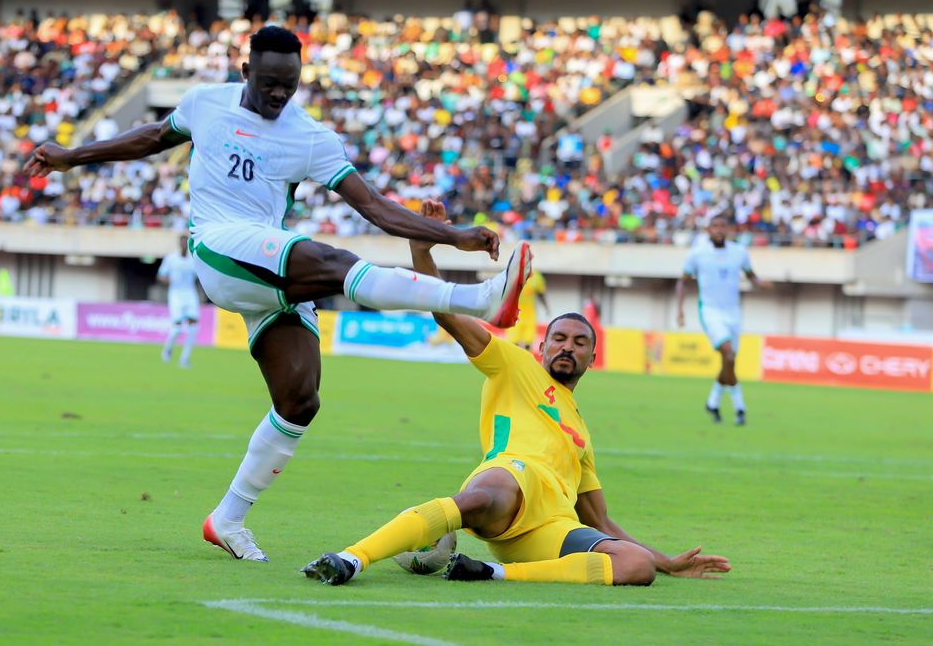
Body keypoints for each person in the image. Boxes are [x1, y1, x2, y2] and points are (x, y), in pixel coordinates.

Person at [24, 27, 532, 562]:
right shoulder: (205, 103)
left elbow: (376, 208)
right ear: (246, 72)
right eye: (268, 82)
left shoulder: (310, 138)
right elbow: (152, 137)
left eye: (288, 85)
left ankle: (227, 519)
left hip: (265, 268)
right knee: (334, 262)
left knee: (299, 400)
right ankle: (480, 301)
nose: (278, 94)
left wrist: (453, 235)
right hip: (219, 245)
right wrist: (71, 156)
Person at [302, 200, 730, 586]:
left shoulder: (581, 435)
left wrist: (665, 562)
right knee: (490, 492)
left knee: (635, 566)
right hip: (509, 479)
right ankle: (352, 558)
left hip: (547, 529)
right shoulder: (516, 366)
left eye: (579, 342)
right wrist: (422, 251)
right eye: (559, 338)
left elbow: (599, 520)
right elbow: (449, 317)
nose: (567, 347)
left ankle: (490, 572)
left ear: (592, 358)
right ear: (543, 348)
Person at [675, 215, 770, 425]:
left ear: (728, 229)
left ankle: (713, 402)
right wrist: (680, 311)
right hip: (711, 311)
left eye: (722, 226)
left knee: (729, 360)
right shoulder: (697, 253)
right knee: (728, 353)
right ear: (708, 229)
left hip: (733, 313)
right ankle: (740, 406)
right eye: (715, 226)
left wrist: (761, 284)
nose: (719, 230)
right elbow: (682, 282)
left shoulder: (739, 252)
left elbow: (751, 275)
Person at [157, 233, 201, 368]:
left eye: (185, 242)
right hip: (175, 294)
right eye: (181, 242)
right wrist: (167, 280)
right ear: (179, 243)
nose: (183, 245)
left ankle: (184, 358)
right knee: (177, 328)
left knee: (193, 328)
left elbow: (200, 276)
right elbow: (161, 275)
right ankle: (167, 349)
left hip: (190, 293)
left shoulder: (193, 259)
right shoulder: (171, 259)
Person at [504, 268, 549, 350]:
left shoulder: (537, 276)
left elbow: (541, 294)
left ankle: (527, 356)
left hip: (529, 313)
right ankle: (513, 356)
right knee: (513, 340)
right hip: (514, 311)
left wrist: (546, 307)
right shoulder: (512, 273)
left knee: (528, 340)